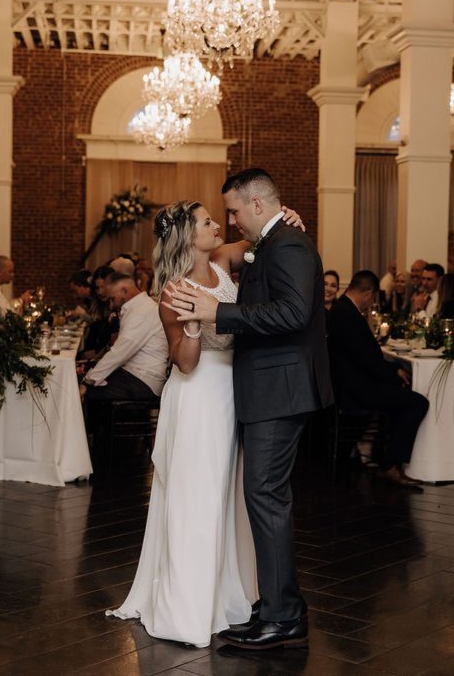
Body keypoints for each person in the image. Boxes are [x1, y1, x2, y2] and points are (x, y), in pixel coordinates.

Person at [107, 196, 306, 648]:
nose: (218, 225)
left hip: (234, 391)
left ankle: (230, 595)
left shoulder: (222, 260)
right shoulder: (171, 293)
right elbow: (185, 362)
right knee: (197, 495)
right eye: (207, 222)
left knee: (229, 493)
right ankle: (189, 605)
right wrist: (195, 322)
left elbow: (264, 238)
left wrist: (287, 219)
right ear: (187, 236)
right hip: (197, 397)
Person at [164, 168, 332, 650]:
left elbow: (293, 313)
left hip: (279, 389)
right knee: (262, 496)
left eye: (235, 210)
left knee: (265, 497)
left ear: (257, 205)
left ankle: (283, 616)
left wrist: (217, 312)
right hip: (264, 389)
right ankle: (278, 603)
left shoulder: (288, 245)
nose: (231, 220)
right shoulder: (270, 242)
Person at [326, 270, 428, 487]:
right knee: (417, 403)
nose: (371, 303)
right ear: (368, 293)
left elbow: (365, 356)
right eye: (372, 298)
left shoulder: (341, 309)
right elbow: (368, 360)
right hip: (356, 390)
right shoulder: (347, 315)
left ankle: (385, 457)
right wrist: (394, 371)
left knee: (401, 393)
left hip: (350, 384)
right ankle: (391, 465)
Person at [82, 272, 169, 402]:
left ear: (124, 290)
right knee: (84, 381)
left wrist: (88, 380)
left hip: (144, 380)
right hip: (134, 374)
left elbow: (120, 352)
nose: (110, 305)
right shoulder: (137, 307)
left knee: (86, 391)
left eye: (112, 299)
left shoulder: (142, 310)